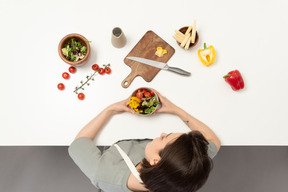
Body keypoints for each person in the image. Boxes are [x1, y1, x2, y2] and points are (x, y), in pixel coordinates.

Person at [68, 90, 221, 192]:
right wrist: (175, 109)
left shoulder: (103, 173)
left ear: (155, 160)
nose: (161, 133)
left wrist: (110, 110)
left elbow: (79, 143)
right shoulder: (191, 163)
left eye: (164, 137)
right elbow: (213, 140)